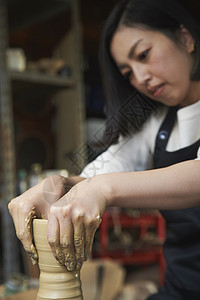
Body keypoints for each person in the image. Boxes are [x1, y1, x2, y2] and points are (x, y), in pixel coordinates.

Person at [8, 0, 200, 298]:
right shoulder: (157, 122)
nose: (140, 78)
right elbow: (108, 167)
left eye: (144, 55)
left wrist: (103, 188)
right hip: (181, 288)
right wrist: (59, 185)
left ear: (185, 38)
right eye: (128, 73)